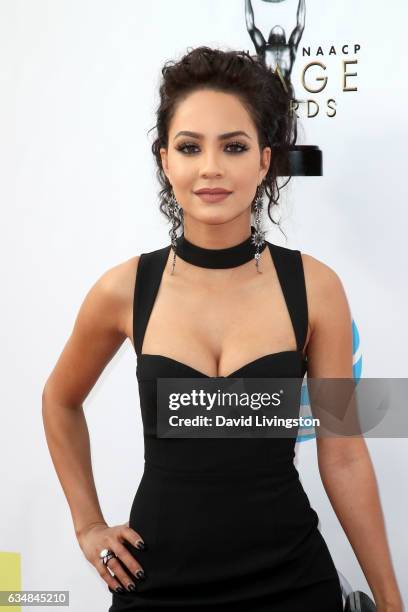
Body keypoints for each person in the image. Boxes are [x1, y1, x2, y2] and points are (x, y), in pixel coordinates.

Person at [42, 46, 403, 612]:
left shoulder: (315, 287)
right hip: (156, 581)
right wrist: (87, 524)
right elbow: (60, 401)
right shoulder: (124, 289)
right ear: (165, 160)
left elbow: (344, 453)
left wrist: (389, 599)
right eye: (190, 147)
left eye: (233, 146)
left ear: (264, 162)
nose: (210, 166)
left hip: (292, 582)